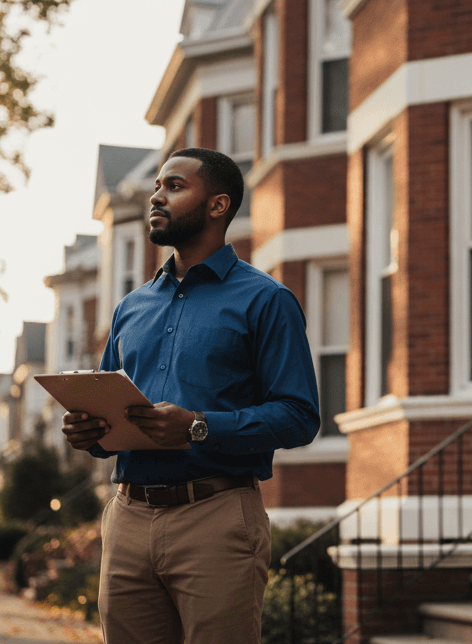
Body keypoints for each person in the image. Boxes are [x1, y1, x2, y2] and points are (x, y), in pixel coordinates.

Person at [62, 148, 320, 644]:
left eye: (174, 186)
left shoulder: (265, 300)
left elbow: (299, 416)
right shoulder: (131, 309)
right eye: (157, 185)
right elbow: (107, 406)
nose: (157, 196)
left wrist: (198, 426)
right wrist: (88, 432)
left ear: (218, 205)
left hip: (216, 517)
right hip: (128, 517)